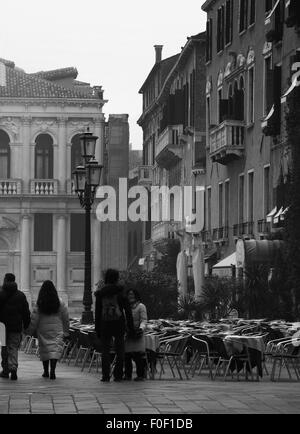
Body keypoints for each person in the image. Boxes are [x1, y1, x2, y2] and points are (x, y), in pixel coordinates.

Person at [95, 269, 134, 383]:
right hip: (118, 324)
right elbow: (128, 311)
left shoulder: (101, 293)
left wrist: (97, 328)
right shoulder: (120, 292)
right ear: (116, 278)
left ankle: (105, 375)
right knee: (120, 350)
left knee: (105, 351)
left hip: (105, 324)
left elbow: (97, 312)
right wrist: (130, 327)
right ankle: (118, 375)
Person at [26, 281, 69, 380]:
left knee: (44, 349)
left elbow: (34, 318)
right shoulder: (60, 302)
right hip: (57, 328)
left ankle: (45, 371)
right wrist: (66, 331)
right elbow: (65, 317)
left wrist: (29, 331)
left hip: (43, 329)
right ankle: (52, 371)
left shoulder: (40, 302)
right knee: (54, 349)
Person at [0, 274, 31, 381]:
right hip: (16, 326)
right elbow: (26, 313)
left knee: (4, 347)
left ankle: (5, 370)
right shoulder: (21, 295)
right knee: (13, 347)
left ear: (5, 280)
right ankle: (13, 368)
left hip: (2, 326)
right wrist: (26, 325)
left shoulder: (0, 293)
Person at [124, 289, 148, 382]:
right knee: (127, 356)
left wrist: (141, 329)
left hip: (138, 333)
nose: (131, 296)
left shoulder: (141, 306)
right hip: (128, 333)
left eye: (132, 294)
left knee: (138, 356)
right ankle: (127, 375)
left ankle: (140, 375)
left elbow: (144, 320)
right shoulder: (125, 307)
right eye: (129, 294)